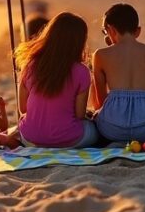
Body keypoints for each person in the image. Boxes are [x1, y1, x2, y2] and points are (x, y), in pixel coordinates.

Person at [92, 3, 145, 144]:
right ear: (137, 31)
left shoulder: (100, 55)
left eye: (105, 31)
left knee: (94, 121)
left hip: (111, 131)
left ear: (110, 30)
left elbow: (99, 103)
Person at [14, 12, 100, 148]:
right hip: (68, 140)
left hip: (31, 139)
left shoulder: (30, 65)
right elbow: (79, 115)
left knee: (23, 121)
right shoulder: (82, 71)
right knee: (93, 128)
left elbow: (23, 108)